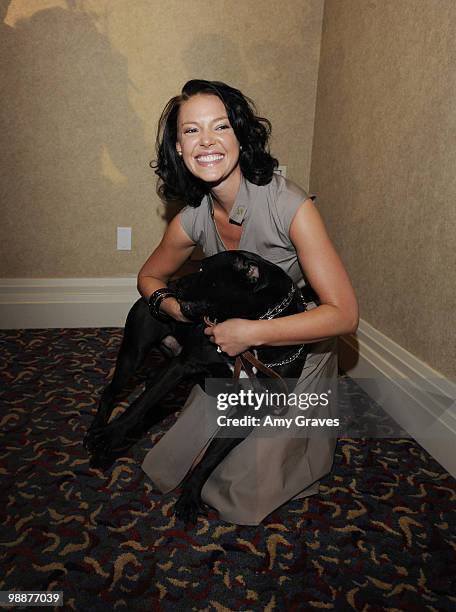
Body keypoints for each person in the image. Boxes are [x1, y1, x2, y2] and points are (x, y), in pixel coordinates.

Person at [139, 79, 358, 525]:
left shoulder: (290, 204)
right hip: (236, 349)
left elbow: (344, 315)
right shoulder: (193, 217)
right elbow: (148, 277)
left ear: (240, 135)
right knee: (171, 464)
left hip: (298, 349)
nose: (206, 141)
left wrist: (251, 332)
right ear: (179, 148)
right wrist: (176, 309)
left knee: (236, 490)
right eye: (191, 131)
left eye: (220, 126)